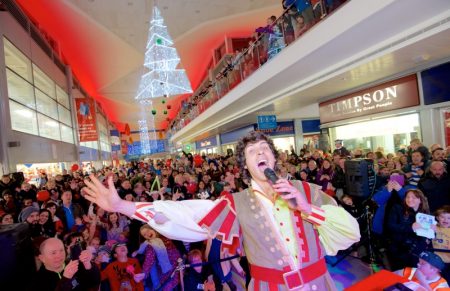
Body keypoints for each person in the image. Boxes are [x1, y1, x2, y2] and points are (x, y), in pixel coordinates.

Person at [83, 131, 360, 290]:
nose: (261, 153)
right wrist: (122, 206)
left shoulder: (309, 190)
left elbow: (351, 233)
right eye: (253, 152)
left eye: (265, 148)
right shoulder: (234, 204)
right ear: (245, 166)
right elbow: (185, 215)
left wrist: (307, 208)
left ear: (274, 156)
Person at [32, 237, 100, 291]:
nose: (59, 255)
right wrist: (65, 279)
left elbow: (94, 283)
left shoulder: (74, 264)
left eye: (61, 250)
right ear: (42, 258)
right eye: (53, 253)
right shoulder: (38, 281)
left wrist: (88, 265)